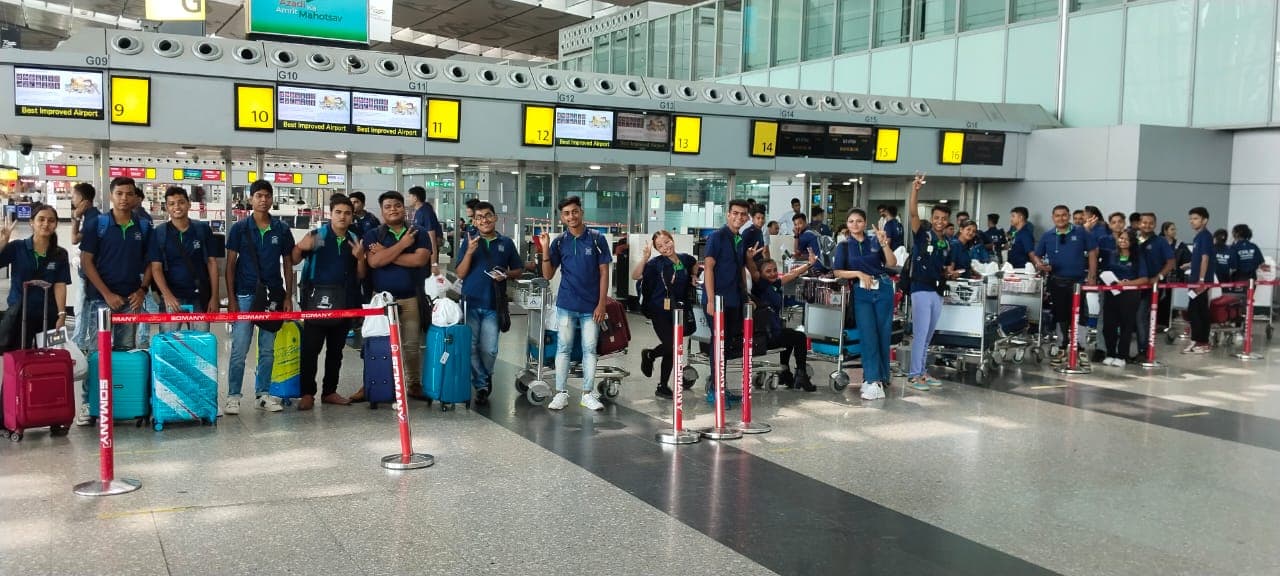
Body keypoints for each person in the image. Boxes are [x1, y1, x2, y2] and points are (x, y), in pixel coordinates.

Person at [225, 179, 296, 415]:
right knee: (239, 349)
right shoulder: (240, 229)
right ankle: (233, 395)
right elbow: (230, 266)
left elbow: (288, 264)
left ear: (272, 199)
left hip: (273, 295)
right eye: (258, 196)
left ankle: (262, 394)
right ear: (251, 199)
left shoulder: (281, 230)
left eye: (267, 195)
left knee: (267, 349)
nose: (263, 200)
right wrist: (232, 300)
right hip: (245, 294)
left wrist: (288, 296)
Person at [539, 196, 614, 411]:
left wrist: (602, 303)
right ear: (561, 217)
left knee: (590, 349)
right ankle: (561, 392)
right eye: (566, 213)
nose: (571, 216)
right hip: (566, 305)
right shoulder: (559, 242)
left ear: (581, 212)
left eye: (574, 212)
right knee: (563, 349)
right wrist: (545, 249)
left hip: (591, 307)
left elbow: (603, 272)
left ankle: (587, 394)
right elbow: (547, 274)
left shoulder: (597, 239)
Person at [292, 196, 365, 410]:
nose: (343, 216)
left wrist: (360, 258)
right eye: (338, 212)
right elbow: (295, 259)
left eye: (347, 213)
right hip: (317, 301)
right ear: (330, 213)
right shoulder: (318, 236)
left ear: (352, 216)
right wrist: (300, 246)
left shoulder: (354, 238)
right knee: (310, 349)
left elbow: (361, 275)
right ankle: (307, 393)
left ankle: (329, 391)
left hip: (344, 302)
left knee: (336, 350)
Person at [363, 191, 432, 399]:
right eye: (388, 206)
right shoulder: (373, 234)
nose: (393, 209)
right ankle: (379, 383)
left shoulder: (418, 232)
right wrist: (402, 246)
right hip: (381, 301)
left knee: (411, 345)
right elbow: (374, 263)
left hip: (410, 297)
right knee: (378, 344)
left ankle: (414, 384)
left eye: (397, 205)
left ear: (405, 208)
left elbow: (419, 260)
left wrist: (386, 253)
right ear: (382, 211)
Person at [455, 201, 523, 406]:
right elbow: (460, 273)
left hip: (494, 303)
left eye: (487, 215)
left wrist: (506, 275)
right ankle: (482, 385)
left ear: (495, 218)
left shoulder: (506, 243)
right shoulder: (468, 242)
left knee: (490, 349)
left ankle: (484, 376)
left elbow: (518, 269)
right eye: (479, 217)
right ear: (474, 221)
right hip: (470, 302)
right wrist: (469, 251)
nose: (484, 220)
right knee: (471, 346)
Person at [77, 177, 150, 353]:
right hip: (100, 300)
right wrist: (107, 294)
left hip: (130, 300)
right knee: (98, 353)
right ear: (111, 196)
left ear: (135, 197)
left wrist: (142, 290)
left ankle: (121, 382)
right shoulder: (98, 224)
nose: (124, 198)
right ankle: (97, 382)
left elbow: (151, 262)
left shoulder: (143, 226)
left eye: (129, 194)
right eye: (119, 193)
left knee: (125, 351)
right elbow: (86, 261)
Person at [833, 208, 898, 400]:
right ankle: (872, 380)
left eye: (859, 221)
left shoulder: (875, 241)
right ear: (847, 224)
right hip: (862, 291)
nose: (855, 224)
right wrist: (858, 273)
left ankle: (880, 378)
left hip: (884, 288)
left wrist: (884, 243)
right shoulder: (843, 246)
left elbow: (892, 262)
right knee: (868, 334)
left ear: (865, 222)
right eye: (851, 221)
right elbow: (837, 272)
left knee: (883, 335)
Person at [702, 199, 763, 399]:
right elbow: (709, 268)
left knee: (727, 344)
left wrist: (745, 296)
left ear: (747, 218)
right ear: (728, 214)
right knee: (718, 342)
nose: (739, 217)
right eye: (735, 213)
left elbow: (740, 270)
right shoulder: (716, 237)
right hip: (717, 300)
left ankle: (721, 386)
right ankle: (714, 389)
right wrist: (710, 300)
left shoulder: (740, 239)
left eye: (743, 214)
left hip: (734, 299)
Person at [1030, 205, 1098, 367]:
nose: (1061, 218)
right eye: (1057, 216)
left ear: (1069, 216)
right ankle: (1062, 346)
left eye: (1064, 215)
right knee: (1061, 315)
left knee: (1080, 314)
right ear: (1053, 218)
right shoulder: (1048, 236)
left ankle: (1080, 347)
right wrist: (1040, 264)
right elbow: (1035, 255)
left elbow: (1093, 252)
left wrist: (1092, 276)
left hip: (1078, 281)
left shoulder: (1081, 232)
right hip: (1057, 281)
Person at [633, 230, 698, 398]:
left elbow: (695, 262)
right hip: (659, 310)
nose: (665, 247)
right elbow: (636, 275)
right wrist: (645, 258)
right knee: (672, 345)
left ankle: (662, 386)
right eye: (660, 246)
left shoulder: (684, 258)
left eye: (667, 242)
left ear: (672, 239)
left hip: (678, 310)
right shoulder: (656, 263)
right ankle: (650, 354)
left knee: (672, 349)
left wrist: (693, 274)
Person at [148, 186, 218, 333]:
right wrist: (167, 295)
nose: (177, 207)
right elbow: (156, 268)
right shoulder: (160, 233)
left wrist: (214, 297)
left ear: (189, 204)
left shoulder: (202, 230)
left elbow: (211, 263)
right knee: (169, 346)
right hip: (172, 298)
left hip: (199, 297)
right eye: (172, 203)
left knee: (200, 345)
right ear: (166, 207)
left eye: (180, 202)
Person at [0, 205, 70, 351]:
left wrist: (61, 314)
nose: (46, 224)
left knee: (47, 357)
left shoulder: (60, 254)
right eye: (41, 219)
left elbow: (60, 284)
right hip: (20, 314)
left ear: (56, 224)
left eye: (51, 220)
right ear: (32, 222)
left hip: (48, 314)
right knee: (18, 357)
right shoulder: (17, 247)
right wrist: (3, 241)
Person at [905, 175, 951, 391]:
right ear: (932, 218)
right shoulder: (923, 235)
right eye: (937, 217)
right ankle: (914, 375)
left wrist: (948, 272)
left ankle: (922, 371)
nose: (940, 221)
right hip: (920, 289)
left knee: (929, 335)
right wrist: (916, 190)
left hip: (936, 290)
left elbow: (940, 266)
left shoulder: (944, 242)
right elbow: (913, 212)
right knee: (921, 334)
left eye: (943, 218)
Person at [752, 258, 817, 391]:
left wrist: (809, 264)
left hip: (773, 331)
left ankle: (785, 372)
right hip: (766, 336)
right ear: (760, 274)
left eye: (775, 270)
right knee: (799, 337)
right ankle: (801, 373)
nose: (773, 273)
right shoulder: (760, 286)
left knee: (789, 335)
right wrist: (749, 257)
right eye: (768, 271)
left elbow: (791, 274)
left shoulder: (774, 285)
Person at [1100, 230, 1149, 367]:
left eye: (1126, 239)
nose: (1122, 241)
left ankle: (1122, 356)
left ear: (1132, 242)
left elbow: (1144, 279)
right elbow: (1104, 270)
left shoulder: (1138, 257)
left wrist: (1126, 283)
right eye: (1121, 238)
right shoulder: (1112, 255)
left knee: (1126, 326)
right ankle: (1110, 353)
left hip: (1129, 295)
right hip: (1111, 293)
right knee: (1109, 325)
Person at [1136, 215, 1177, 356]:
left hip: (1150, 288)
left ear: (1155, 225)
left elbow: (1171, 262)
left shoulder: (1161, 242)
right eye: (1144, 222)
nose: (1147, 225)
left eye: (1150, 223)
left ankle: (1144, 351)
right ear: (1139, 223)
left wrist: (1158, 277)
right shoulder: (1133, 239)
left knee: (1141, 317)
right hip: (1132, 286)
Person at [69, 183, 98, 349]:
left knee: (83, 310)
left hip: (88, 274)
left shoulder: (93, 219)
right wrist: (77, 217)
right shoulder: (90, 217)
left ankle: (79, 346)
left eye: (74, 196)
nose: (72, 199)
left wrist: (76, 217)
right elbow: (75, 238)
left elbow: (74, 239)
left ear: (83, 200)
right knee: (84, 309)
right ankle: (81, 345)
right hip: (87, 274)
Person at [1184, 207, 1214, 354]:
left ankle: (1202, 342)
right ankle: (1197, 340)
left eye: (1195, 218)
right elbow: (1198, 259)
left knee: (1198, 311)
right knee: (1194, 310)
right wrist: (1188, 265)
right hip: (1193, 279)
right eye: (1191, 218)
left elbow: (1205, 258)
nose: (1192, 221)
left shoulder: (1206, 236)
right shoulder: (1197, 237)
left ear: (1205, 220)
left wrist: (1202, 280)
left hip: (1200, 282)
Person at [407, 185, 443, 266]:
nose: (408, 199)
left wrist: (433, 264)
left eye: (409, 196)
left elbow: (432, 239)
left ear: (415, 198)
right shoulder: (419, 211)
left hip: (427, 255)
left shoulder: (426, 212)